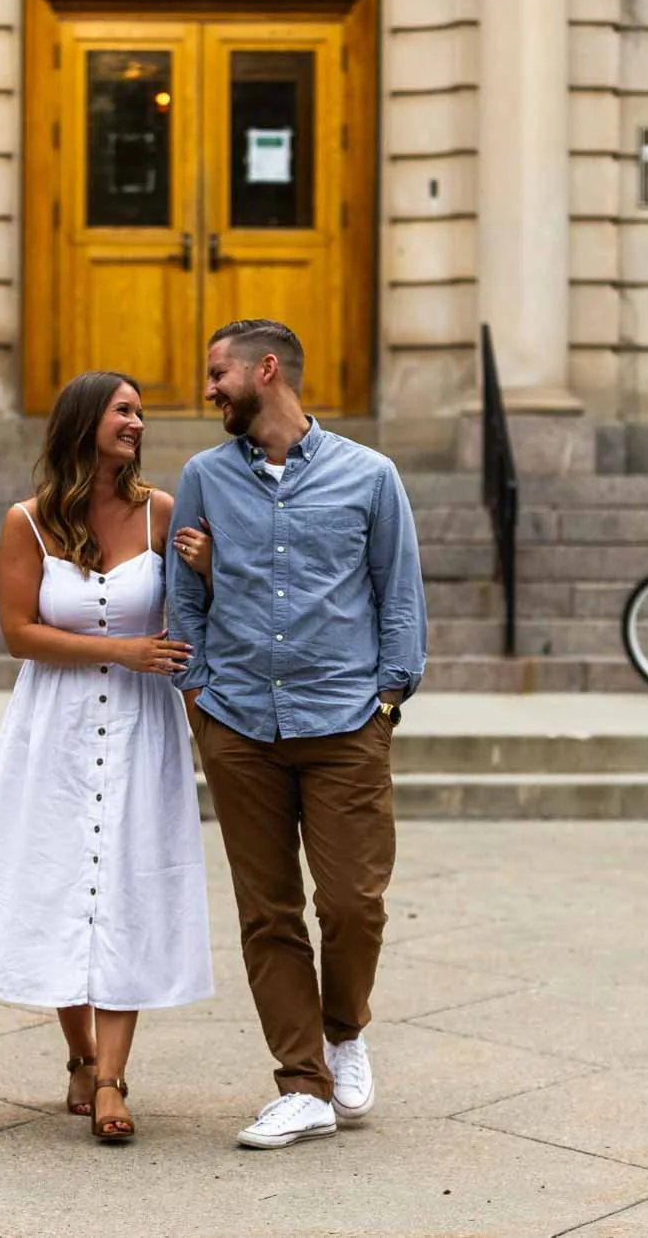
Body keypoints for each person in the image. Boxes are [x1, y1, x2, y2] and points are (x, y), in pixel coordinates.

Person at [165, 318, 427, 1150]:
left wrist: (389, 698)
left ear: (265, 371)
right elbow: (186, 596)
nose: (208, 390)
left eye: (218, 375)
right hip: (238, 719)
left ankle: (345, 1031)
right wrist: (198, 692)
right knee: (267, 912)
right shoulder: (205, 477)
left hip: (345, 717)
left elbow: (398, 592)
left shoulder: (370, 476)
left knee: (353, 903)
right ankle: (303, 1083)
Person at [0, 370, 214, 1144]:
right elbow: (18, 632)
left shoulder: (163, 513)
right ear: (84, 421)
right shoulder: (26, 522)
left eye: (139, 412)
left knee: (125, 889)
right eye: (124, 410)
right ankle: (79, 1052)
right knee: (60, 886)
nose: (138, 422)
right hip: (53, 731)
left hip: (140, 731)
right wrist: (120, 648)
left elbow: (204, 618)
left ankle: (111, 1079)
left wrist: (205, 570)